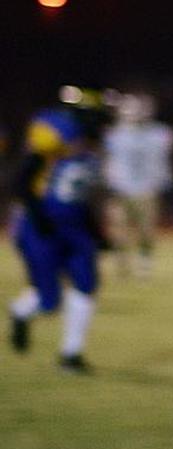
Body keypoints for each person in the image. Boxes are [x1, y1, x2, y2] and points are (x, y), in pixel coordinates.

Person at [8, 84, 110, 373]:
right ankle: (19, 312)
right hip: (43, 224)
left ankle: (71, 355)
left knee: (86, 284)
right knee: (49, 301)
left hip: (76, 225)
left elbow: (83, 193)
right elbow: (22, 182)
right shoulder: (55, 132)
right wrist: (39, 221)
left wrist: (97, 233)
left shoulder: (95, 147)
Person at [102, 90, 173, 278]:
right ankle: (122, 265)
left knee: (146, 232)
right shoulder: (113, 135)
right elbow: (106, 159)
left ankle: (144, 261)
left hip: (147, 189)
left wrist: (163, 180)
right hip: (120, 189)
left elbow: (164, 157)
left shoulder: (160, 133)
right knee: (118, 230)